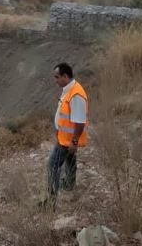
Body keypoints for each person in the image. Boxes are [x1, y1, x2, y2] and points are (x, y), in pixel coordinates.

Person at [46, 62, 88, 205]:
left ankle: (51, 201)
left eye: (57, 77)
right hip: (65, 138)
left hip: (67, 140)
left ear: (65, 76)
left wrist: (74, 142)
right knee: (70, 161)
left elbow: (80, 122)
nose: (55, 80)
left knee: (52, 165)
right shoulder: (69, 90)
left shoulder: (76, 94)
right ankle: (69, 184)